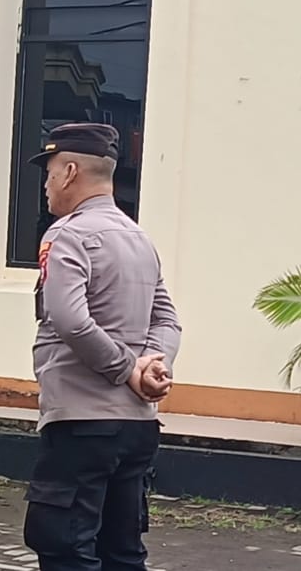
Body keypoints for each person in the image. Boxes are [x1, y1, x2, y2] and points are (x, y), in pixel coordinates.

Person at [21, 123, 181, 571]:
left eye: (50, 173)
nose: (47, 185)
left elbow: (70, 319)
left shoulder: (67, 235)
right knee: (122, 552)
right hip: (137, 426)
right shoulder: (139, 238)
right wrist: (152, 365)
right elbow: (167, 320)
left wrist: (128, 370)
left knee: (66, 549)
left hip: (82, 422)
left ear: (71, 172)